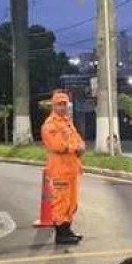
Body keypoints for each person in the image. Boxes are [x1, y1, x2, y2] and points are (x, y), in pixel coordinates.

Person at [41, 91, 86, 245]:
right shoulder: (50, 125)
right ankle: (61, 233)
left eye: (64, 104)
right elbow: (58, 146)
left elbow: (78, 140)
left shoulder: (67, 123)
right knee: (61, 202)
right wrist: (76, 147)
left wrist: (80, 147)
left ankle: (67, 229)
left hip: (72, 170)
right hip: (60, 170)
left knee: (72, 203)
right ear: (53, 106)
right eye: (59, 104)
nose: (62, 107)